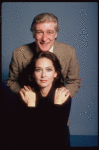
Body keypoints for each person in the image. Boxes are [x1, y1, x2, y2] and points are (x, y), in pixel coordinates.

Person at [18, 51, 72, 148]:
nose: (43, 75)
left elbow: (56, 135)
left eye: (49, 70)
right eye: (38, 70)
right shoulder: (26, 94)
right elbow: (29, 135)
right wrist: (31, 105)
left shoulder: (62, 95)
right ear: (33, 73)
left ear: (55, 73)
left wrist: (58, 106)